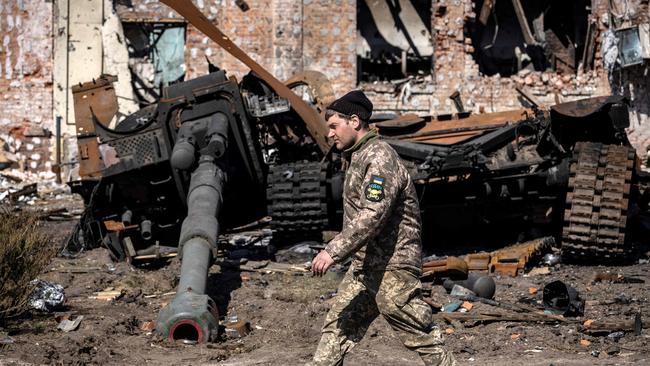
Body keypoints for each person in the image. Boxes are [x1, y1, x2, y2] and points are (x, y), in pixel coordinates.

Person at [309, 90, 455, 366]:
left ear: (354, 121)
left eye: (333, 126)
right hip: (366, 266)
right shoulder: (357, 157)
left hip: (393, 265)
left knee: (417, 332)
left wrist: (333, 251)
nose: (330, 135)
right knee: (338, 325)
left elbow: (373, 213)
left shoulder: (379, 158)